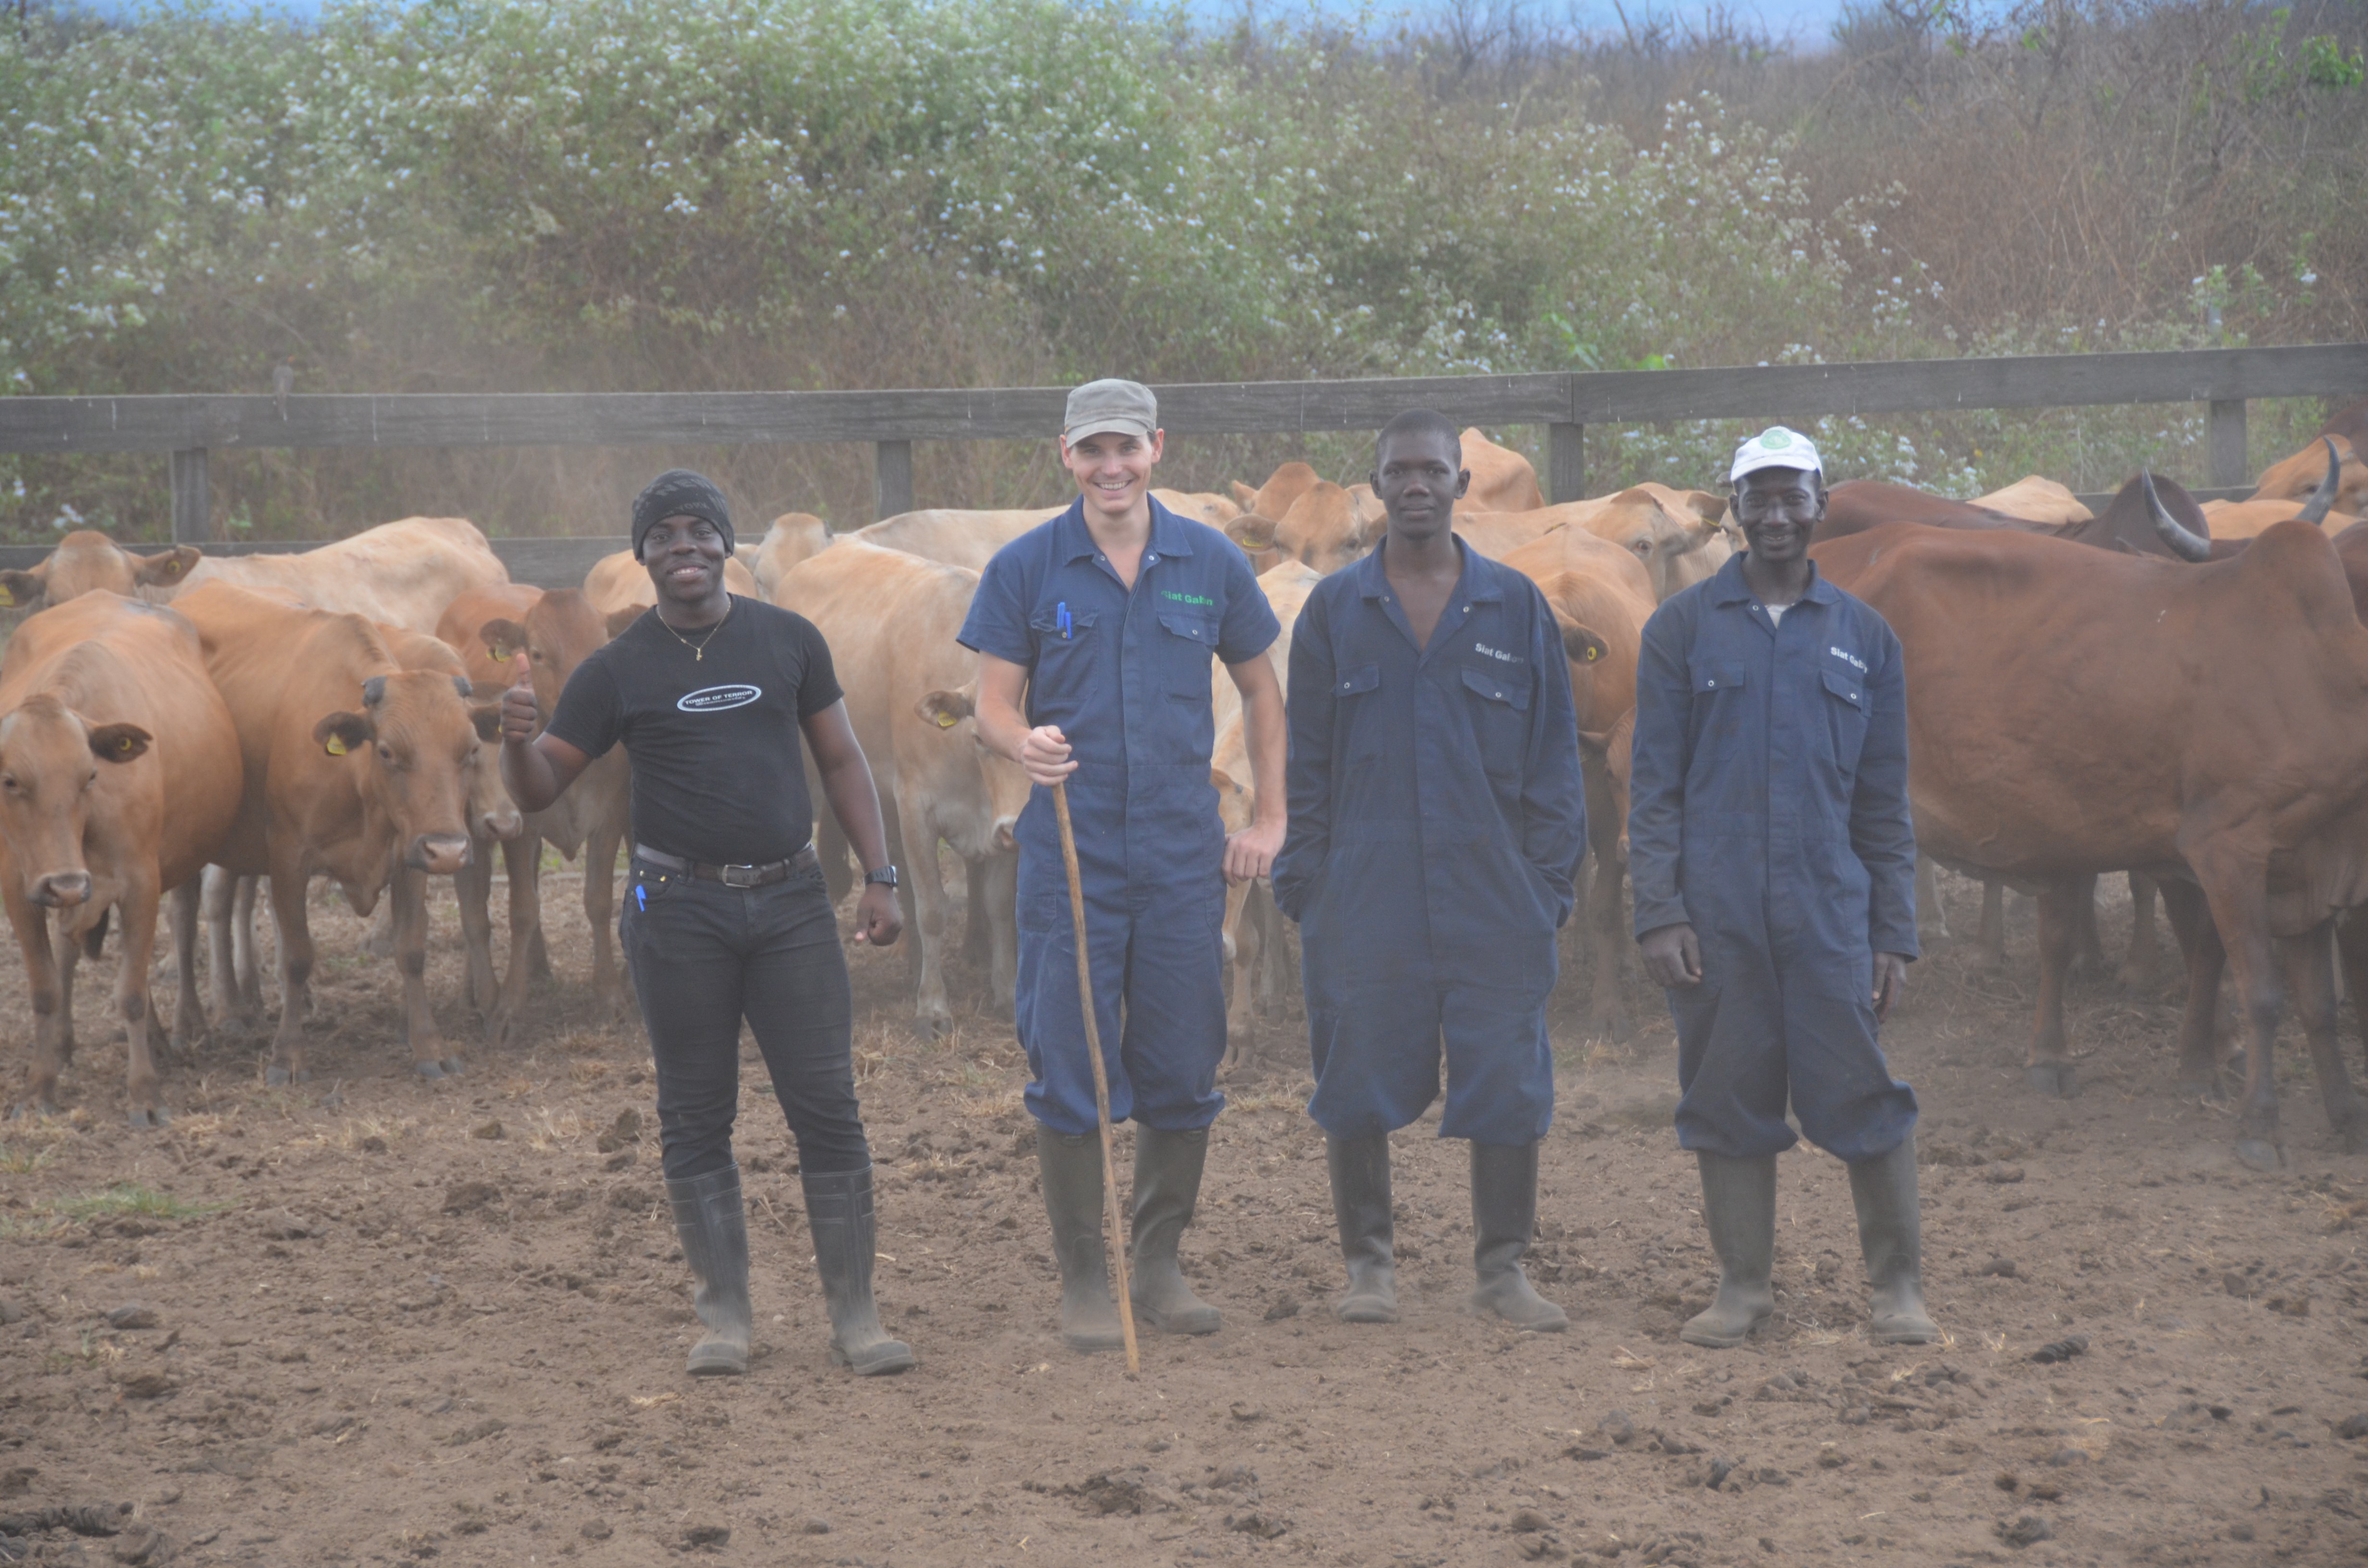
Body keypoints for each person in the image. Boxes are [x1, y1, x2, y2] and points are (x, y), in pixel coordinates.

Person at [499, 468, 915, 1379]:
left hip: (793, 901)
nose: (684, 549)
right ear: (641, 556)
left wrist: (880, 877)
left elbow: (843, 761)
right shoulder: (617, 669)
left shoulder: (789, 642)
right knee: (694, 1114)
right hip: (676, 910)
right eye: (664, 537)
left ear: (728, 545)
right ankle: (726, 1317)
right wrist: (514, 738)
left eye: (700, 532)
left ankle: (856, 1316)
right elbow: (541, 788)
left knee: (829, 1110)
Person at [960, 379, 1286, 1352]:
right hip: (1072, 850)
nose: (1112, 466)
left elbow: (1262, 694)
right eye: (1093, 449)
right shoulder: (1026, 568)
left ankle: (1158, 1265)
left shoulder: (1209, 561)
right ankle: (1086, 1280)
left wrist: (1268, 818)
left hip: (1184, 851)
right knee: (1070, 1060)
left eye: (1128, 448)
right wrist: (1026, 748)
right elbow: (989, 705)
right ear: (1066, 455)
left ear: (1157, 451)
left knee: (1186, 1061)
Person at [1271, 408, 1588, 1331]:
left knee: (1506, 1074)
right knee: (1356, 1068)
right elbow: (1310, 761)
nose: (1416, 486)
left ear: (1461, 485)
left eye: (1433, 471)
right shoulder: (1337, 610)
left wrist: (1548, 886)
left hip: (1494, 886)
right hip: (1364, 887)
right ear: (1376, 488)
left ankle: (1502, 1269)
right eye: (1399, 472)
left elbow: (1553, 761)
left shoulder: (1515, 606)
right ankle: (1370, 1266)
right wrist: (1309, 884)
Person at [1627, 426, 1935, 1348]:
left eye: (1790, 496)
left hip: (1829, 913)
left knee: (1864, 1094)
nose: (1773, 515)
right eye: (1755, 498)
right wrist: (1660, 911)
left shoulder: (1865, 639)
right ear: (1733, 510)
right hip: (1715, 917)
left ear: (1819, 504)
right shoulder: (1679, 632)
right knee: (1726, 1094)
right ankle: (1743, 1291)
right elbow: (1654, 787)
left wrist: (1893, 933)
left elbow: (1884, 803)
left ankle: (1899, 1291)